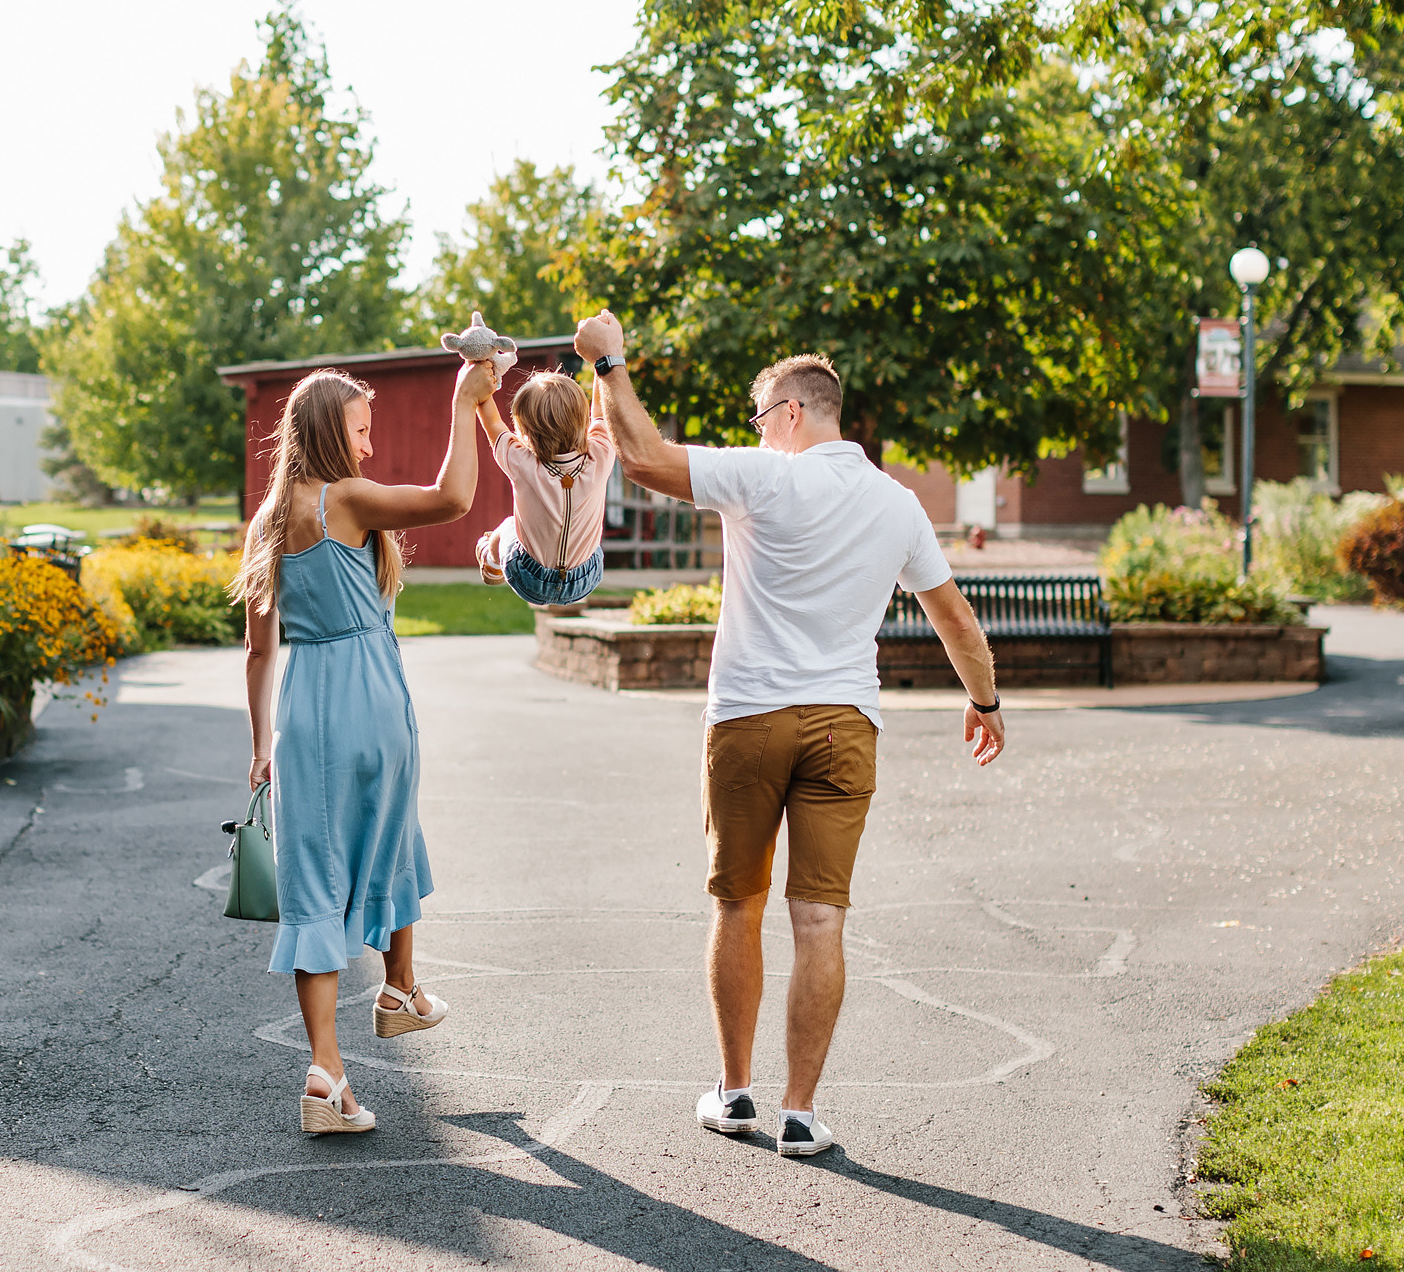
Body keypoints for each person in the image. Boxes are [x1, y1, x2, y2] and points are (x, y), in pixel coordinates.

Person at [571, 310, 1005, 1158]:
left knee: (738, 904)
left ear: (795, 413)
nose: (757, 431)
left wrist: (609, 361)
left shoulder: (765, 478)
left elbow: (645, 458)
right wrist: (984, 701)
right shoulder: (899, 503)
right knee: (820, 921)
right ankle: (800, 1113)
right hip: (845, 724)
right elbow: (953, 617)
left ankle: (734, 1095)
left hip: (748, 717)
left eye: (760, 416)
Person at [231, 361, 497, 1135]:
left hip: (301, 714)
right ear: (325, 433)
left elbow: (257, 651)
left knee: (313, 884)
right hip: (370, 697)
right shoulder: (344, 500)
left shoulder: (267, 522)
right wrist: (462, 402)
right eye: (361, 429)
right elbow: (451, 498)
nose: (370, 444)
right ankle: (399, 986)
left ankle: (327, 1076)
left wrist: (259, 747)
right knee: (394, 833)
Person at [473, 367, 618, 607]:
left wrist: (478, 372)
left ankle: (491, 559)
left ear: (525, 432)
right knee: (589, 539)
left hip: (528, 577)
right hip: (585, 578)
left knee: (509, 525)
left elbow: (493, 424)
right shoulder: (601, 455)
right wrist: (600, 361)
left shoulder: (521, 462)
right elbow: (602, 411)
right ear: (584, 421)